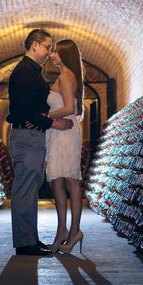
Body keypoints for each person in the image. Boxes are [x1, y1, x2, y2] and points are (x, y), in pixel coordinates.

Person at [6, 29, 73, 256]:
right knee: (25, 188)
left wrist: (43, 120)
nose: (48, 52)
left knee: (30, 188)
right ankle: (25, 244)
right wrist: (53, 124)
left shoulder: (32, 71)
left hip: (31, 136)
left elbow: (35, 108)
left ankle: (30, 238)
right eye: (46, 46)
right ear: (34, 45)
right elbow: (25, 110)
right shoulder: (25, 71)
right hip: (26, 137)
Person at [39, 39, 85, 254]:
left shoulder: (67, 76)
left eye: (56, 52)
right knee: (57, 181)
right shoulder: (62, 75)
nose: (52, 54)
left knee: (71, 181)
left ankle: (75, 231)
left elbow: (69, 108)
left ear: (65, 55)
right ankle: (61, 232)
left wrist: (46, 116)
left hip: (66, 133)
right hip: (56, 134)